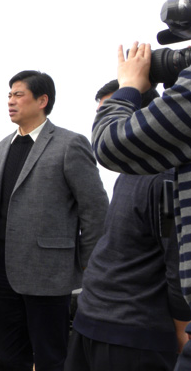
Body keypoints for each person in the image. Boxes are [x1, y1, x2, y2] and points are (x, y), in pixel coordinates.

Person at [0, 70, 108, 371]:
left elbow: (95, 210)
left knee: (51, 358)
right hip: (2, 270)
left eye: (18, 94)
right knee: (9, 357)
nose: (10, 101)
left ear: (42, 100)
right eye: (9, 95)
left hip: (48, 272)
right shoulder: (2, 147)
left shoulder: (69, 144)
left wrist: (87, 264)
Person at [63, 80, 191, 371]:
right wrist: (182, 326)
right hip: (123, 330)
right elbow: (176, 261)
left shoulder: (160, 180)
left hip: (114, 329)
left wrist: (180, 324)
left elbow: (174, 260)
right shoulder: (152, 176)